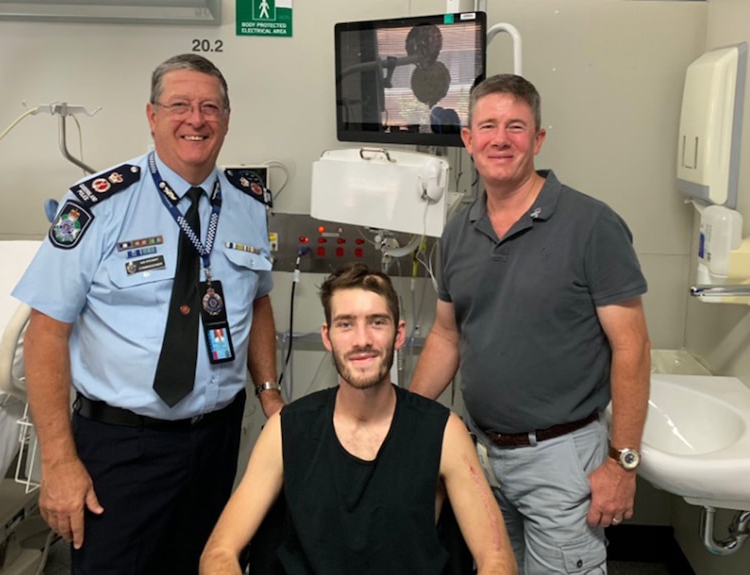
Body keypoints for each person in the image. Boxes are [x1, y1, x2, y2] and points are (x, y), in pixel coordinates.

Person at [12, 53, 283, 575]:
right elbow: (45, 333)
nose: (195, 119)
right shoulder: (97, 205)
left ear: (226, 119)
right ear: (152, 115)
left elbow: (259, 301)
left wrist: (269, 390)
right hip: (120, 447)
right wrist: (58, 462)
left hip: (217, 440)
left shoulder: (249, 205)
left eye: (210, 107)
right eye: (179, 105)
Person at [409, 74, 651, 574]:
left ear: (538, 139)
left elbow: (633, 349)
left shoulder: (591, 225)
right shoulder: (458, 230)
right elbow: (446, 335)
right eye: (488, 126)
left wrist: (623, 463)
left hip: (562, 462)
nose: (501, 139)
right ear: (468, 139)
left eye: (516, 127)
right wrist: (403, 418)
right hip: (482, 457)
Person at [200, 263, 516, 575]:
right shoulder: (287, 430)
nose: (361, 340)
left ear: (399, 333)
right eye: (346, 324)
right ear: (328, 336)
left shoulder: (443, 433)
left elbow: (498, 560)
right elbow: (220, 552)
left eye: (377, 322)